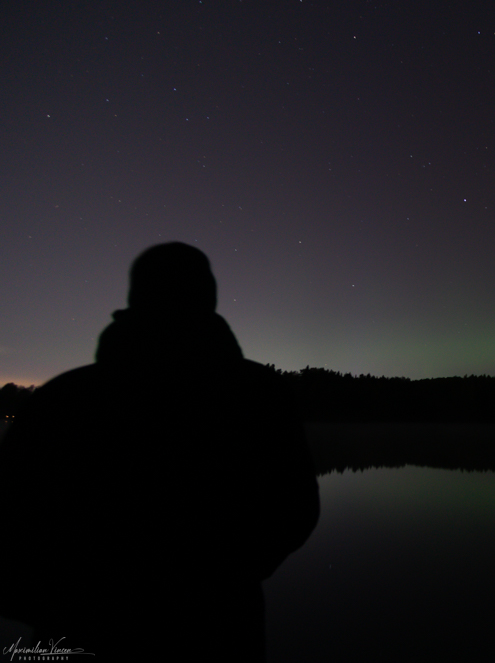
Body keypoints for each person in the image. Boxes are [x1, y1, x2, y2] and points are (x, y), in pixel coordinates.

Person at [0, 243, 320, 662]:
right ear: (209, 296)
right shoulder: (259, 394)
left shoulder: (63, 398)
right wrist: (224, 578)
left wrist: (68, 604)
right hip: (220, 631)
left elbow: (12, 522)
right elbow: (294, 511)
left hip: (85, 631)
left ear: (135, 297)